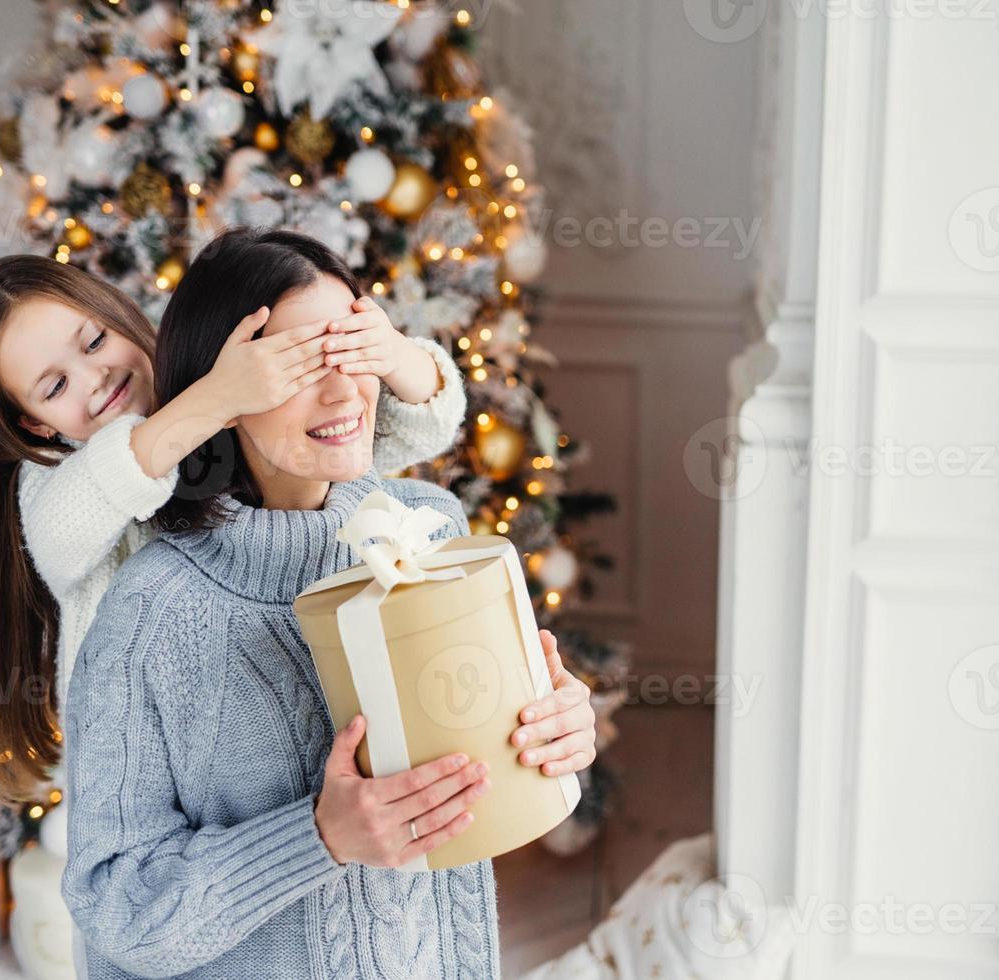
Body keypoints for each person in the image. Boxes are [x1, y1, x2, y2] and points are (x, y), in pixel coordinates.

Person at [61, 228, 598, 978]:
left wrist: (556, 728)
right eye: (303, 365)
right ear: (228, 395)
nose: (345, 392)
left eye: (353, 352)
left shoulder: (430, 526)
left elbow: (483, 783)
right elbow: (117, 909)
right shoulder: (152, 617)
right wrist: (318, 837)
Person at [0, 250, 465, 802]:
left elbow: (414, 430)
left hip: (270, 722)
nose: (96, 378)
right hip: (148, 765)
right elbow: (73, 517)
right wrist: (219, 398)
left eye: (95, 342)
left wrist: (392, 354)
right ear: (33, 423)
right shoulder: (60, 478)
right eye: (55, 388)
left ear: (118, 311)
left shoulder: (222, 397)